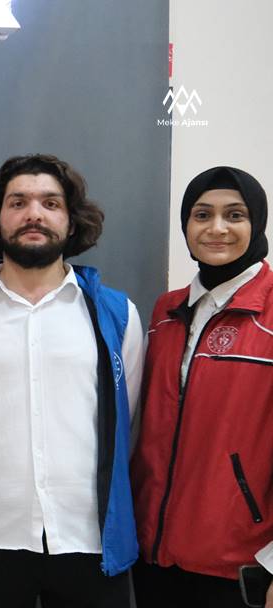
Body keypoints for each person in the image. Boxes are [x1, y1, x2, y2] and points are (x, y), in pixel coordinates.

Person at [0, 154, 143, 607]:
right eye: (18, 202)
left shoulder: (116, 315)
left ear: (71, 223)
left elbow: (126, 424)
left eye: (51, 203)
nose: (34, 213)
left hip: (89, 542)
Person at [130, 166, 273, 608]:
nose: (217, 228)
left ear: (257, 223)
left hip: (240, 565)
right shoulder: (165, 311)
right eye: (202, 214)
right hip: (155, 555)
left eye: (235, 215)